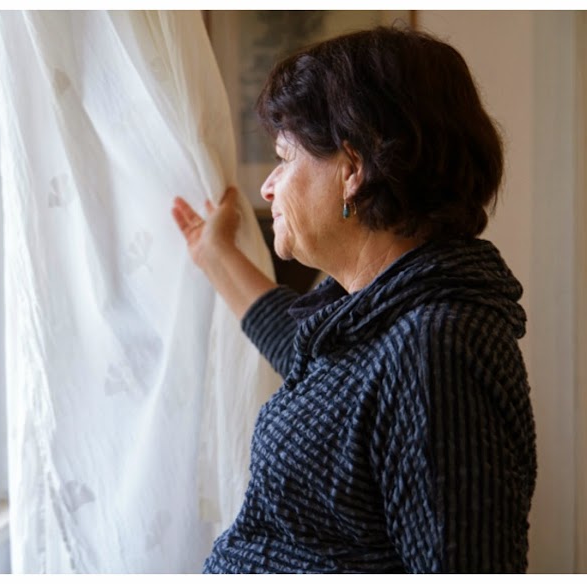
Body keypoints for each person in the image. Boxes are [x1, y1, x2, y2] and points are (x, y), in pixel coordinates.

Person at [169, 27, 535, 573]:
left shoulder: (437, 349)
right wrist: (216, 256)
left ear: (352, 169)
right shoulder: (381, 314)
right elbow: (324, 370)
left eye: (284, 158)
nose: (268, 187)